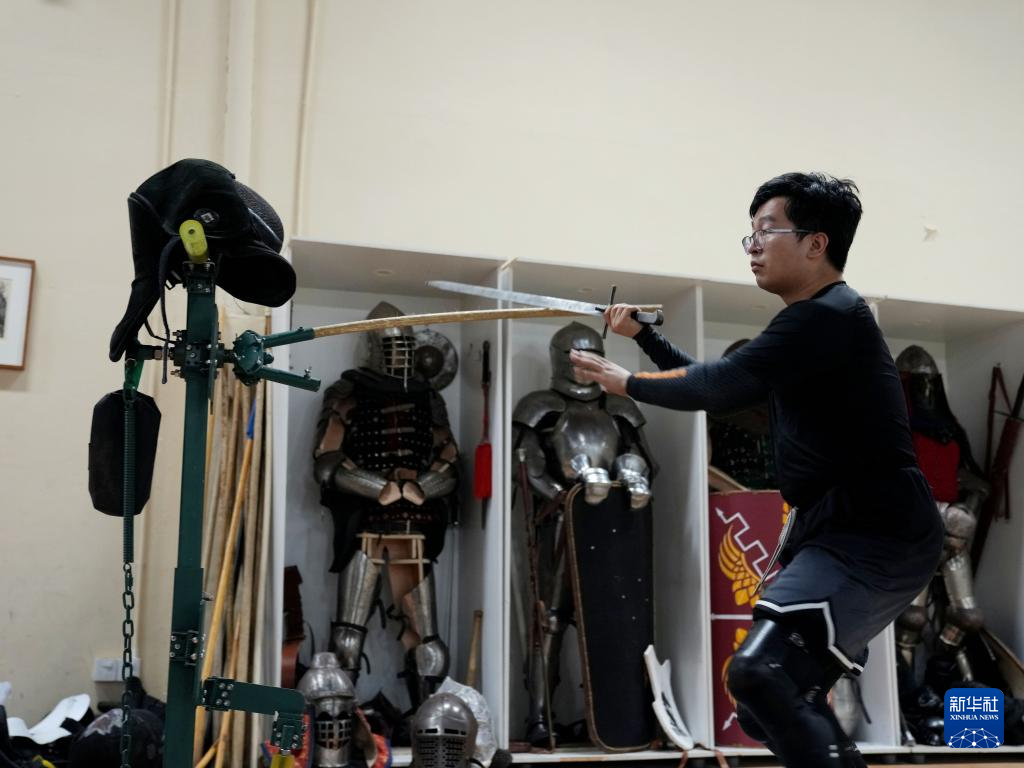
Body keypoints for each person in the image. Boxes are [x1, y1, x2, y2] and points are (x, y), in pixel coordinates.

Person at [569, 172, 943, 768]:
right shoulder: (813, 330)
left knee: (762, 674)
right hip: (837, 527)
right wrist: (643, 337)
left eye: (768, 230)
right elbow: (721, 387)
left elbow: (716, 385)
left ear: (816, 244)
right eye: (750, 234)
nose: (754, 245)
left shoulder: (829, 316)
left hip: (875, 527)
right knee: (762, 702)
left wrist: (628, 383)